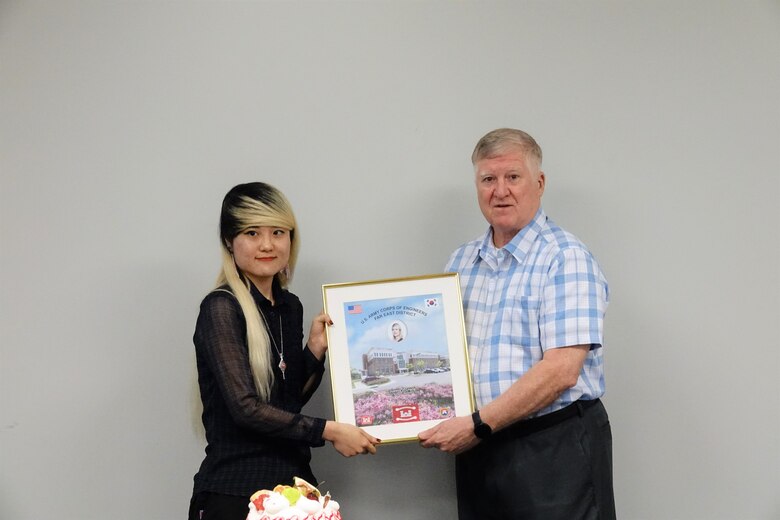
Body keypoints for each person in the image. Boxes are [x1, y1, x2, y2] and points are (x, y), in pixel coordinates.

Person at [419, 129, 616, 520]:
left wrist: (476, 426)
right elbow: (440, 357)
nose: (500, 190)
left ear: (539, 183)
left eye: (513, 177)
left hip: (553, 448)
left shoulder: (565, 258)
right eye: (488, 179)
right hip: (481, 447)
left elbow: (561, 371)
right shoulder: (460, 263)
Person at [189, 182, 380, 520]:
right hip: (236, 493)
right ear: (229, 242)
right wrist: (330, 431)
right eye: (252, 232)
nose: (267, 244)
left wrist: (314, 351)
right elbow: (246, 409)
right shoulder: (221, 308)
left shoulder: (289, 307)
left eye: (278, 232)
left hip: (295, 492)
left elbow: (287, 402)